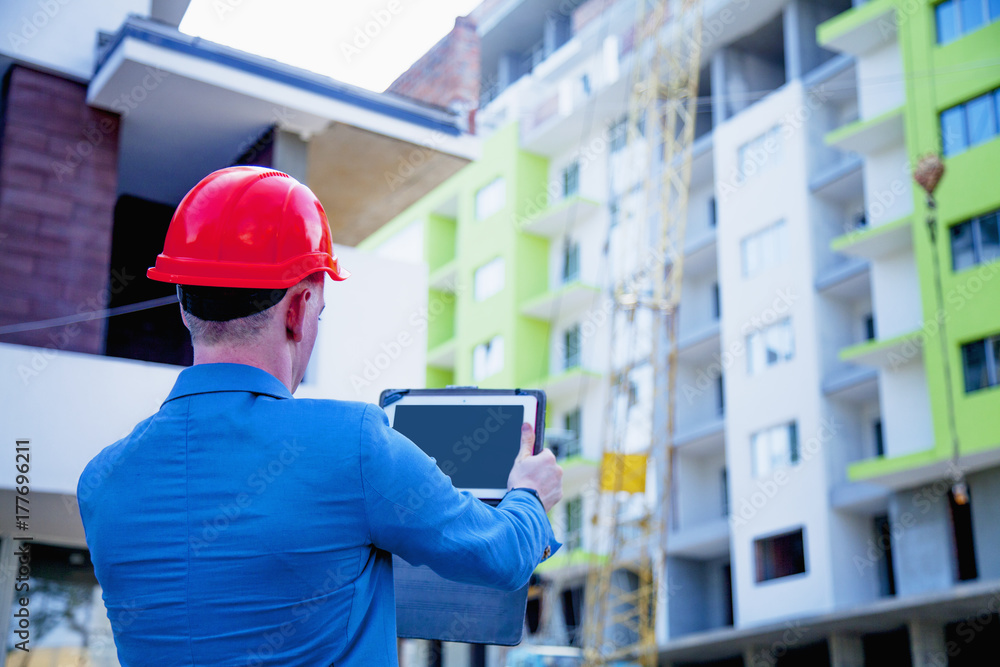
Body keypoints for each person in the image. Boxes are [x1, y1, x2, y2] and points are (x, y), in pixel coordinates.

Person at [77, 166, 564, 666]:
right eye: (320, 312)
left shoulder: (101, 482)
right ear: (299, 308)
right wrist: (529, 494)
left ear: (183, 306)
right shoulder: (352, 444)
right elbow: (501, 556)